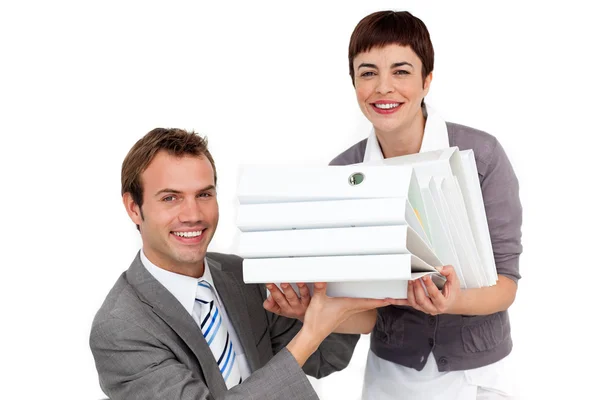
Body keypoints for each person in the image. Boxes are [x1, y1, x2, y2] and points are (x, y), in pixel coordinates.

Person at [266, 10, 523, 400]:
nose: (384, 87)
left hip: (477, 376)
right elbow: (366, 316)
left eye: (401, 71)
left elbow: (506, 286)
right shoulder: (343, 174)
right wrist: (309, 312)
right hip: (392, 377)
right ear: (353, 82)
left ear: (427, 80)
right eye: (368, 73)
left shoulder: (481, 156)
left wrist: (454, 301)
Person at [89, 128, 389, 400]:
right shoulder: (119, 328)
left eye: (204, 194)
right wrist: (309, 333)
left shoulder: (238, 275)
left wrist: (321, 302)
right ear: (133, 207)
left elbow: (325, 358)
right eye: (170, 198)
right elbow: (303, 349)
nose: (193, 214)